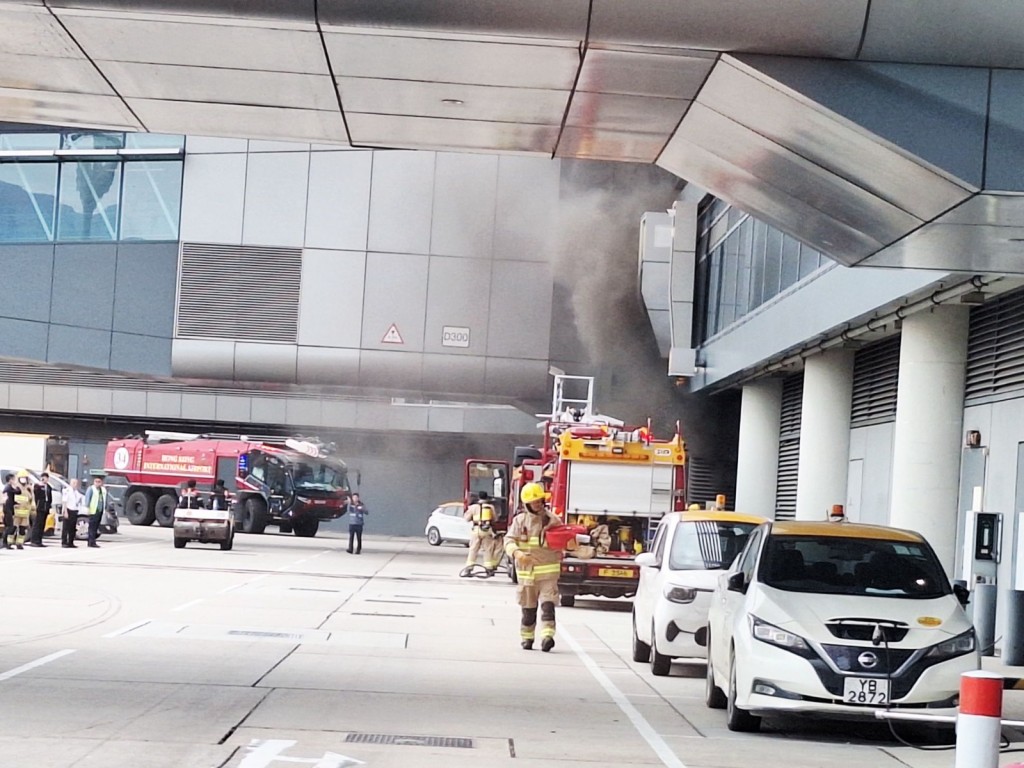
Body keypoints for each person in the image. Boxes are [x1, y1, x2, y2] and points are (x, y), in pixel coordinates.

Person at [504, 482, 563, 652]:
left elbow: (562, 540)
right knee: (528, 610)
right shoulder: (520, 521)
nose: (538, 504)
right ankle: (527, 638)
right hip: (527, 575)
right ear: (526, 504)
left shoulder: (552, 520)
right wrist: (516, 553)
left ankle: (547, 637)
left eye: (539, 500)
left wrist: (570, 545)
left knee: (548, 606)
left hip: (548, 574)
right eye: (534, 501)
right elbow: (508, 540)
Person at [462, 491, 500, 576]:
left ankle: (468, 569)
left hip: (476, 530)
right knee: (487, 550)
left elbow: (467, 519)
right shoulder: (490, 507)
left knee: (473, 549)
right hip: (487, 531)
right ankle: (489, 569)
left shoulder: (473, 507)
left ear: (478, 497)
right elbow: (495, 519)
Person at [28, 472, 53, 547]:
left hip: (45, 507)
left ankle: (39, 540)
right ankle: (34, 540)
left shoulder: (48, 487)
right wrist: (39, 485)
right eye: (44, 478)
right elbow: (35, 494)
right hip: (39, 507)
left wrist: (49, 506)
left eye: (46, 478)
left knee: (42, 524)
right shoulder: (37, 486)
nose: (45, 479)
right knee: (37, 524)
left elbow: (50, 497)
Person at [10, 472, 33, 550]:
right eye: (22, 478)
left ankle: (19, 543)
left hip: (25, 513)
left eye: (25, 478)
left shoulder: (28, 488)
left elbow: (31, 500)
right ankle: (9, 542)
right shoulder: (16, 488)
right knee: (13, 528)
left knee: (22, 530)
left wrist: (32, 509)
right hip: (16, 512)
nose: (23, 480)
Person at [61, 478, 85, 548]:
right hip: (68, 510)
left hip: (74, 510)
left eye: (76, 483)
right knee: (66, 527)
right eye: (73, 483)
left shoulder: (77, 492)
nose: (75, 484)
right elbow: (64, 501)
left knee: (72, 528)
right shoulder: (67, 490)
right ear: (71, 483)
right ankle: (64, 542)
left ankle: (71, 542)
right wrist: (65, 511)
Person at [83, 475, 106, 548]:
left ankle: (93, 541)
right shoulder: (91, 489)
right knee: (92, 527)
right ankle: (91, 542)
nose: (97, 483)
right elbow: (87, 500)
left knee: (96, 527)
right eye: (96, 482)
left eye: (99, 482)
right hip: (93, 511)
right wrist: (87, 509)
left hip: (100, 511)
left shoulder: (103, 490)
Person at [1, 473, 19, 550]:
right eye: (14, 479)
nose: (15, 481)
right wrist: (17, 486)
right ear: (10, 480)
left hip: (9, 508)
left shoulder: (9, 488)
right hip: (7, 509)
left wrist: (16, 503)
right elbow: (18, 491)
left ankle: (5, 543)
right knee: (10, 526)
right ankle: (4, 542)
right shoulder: (8, 487)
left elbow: (11, 498)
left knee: (8, 526)